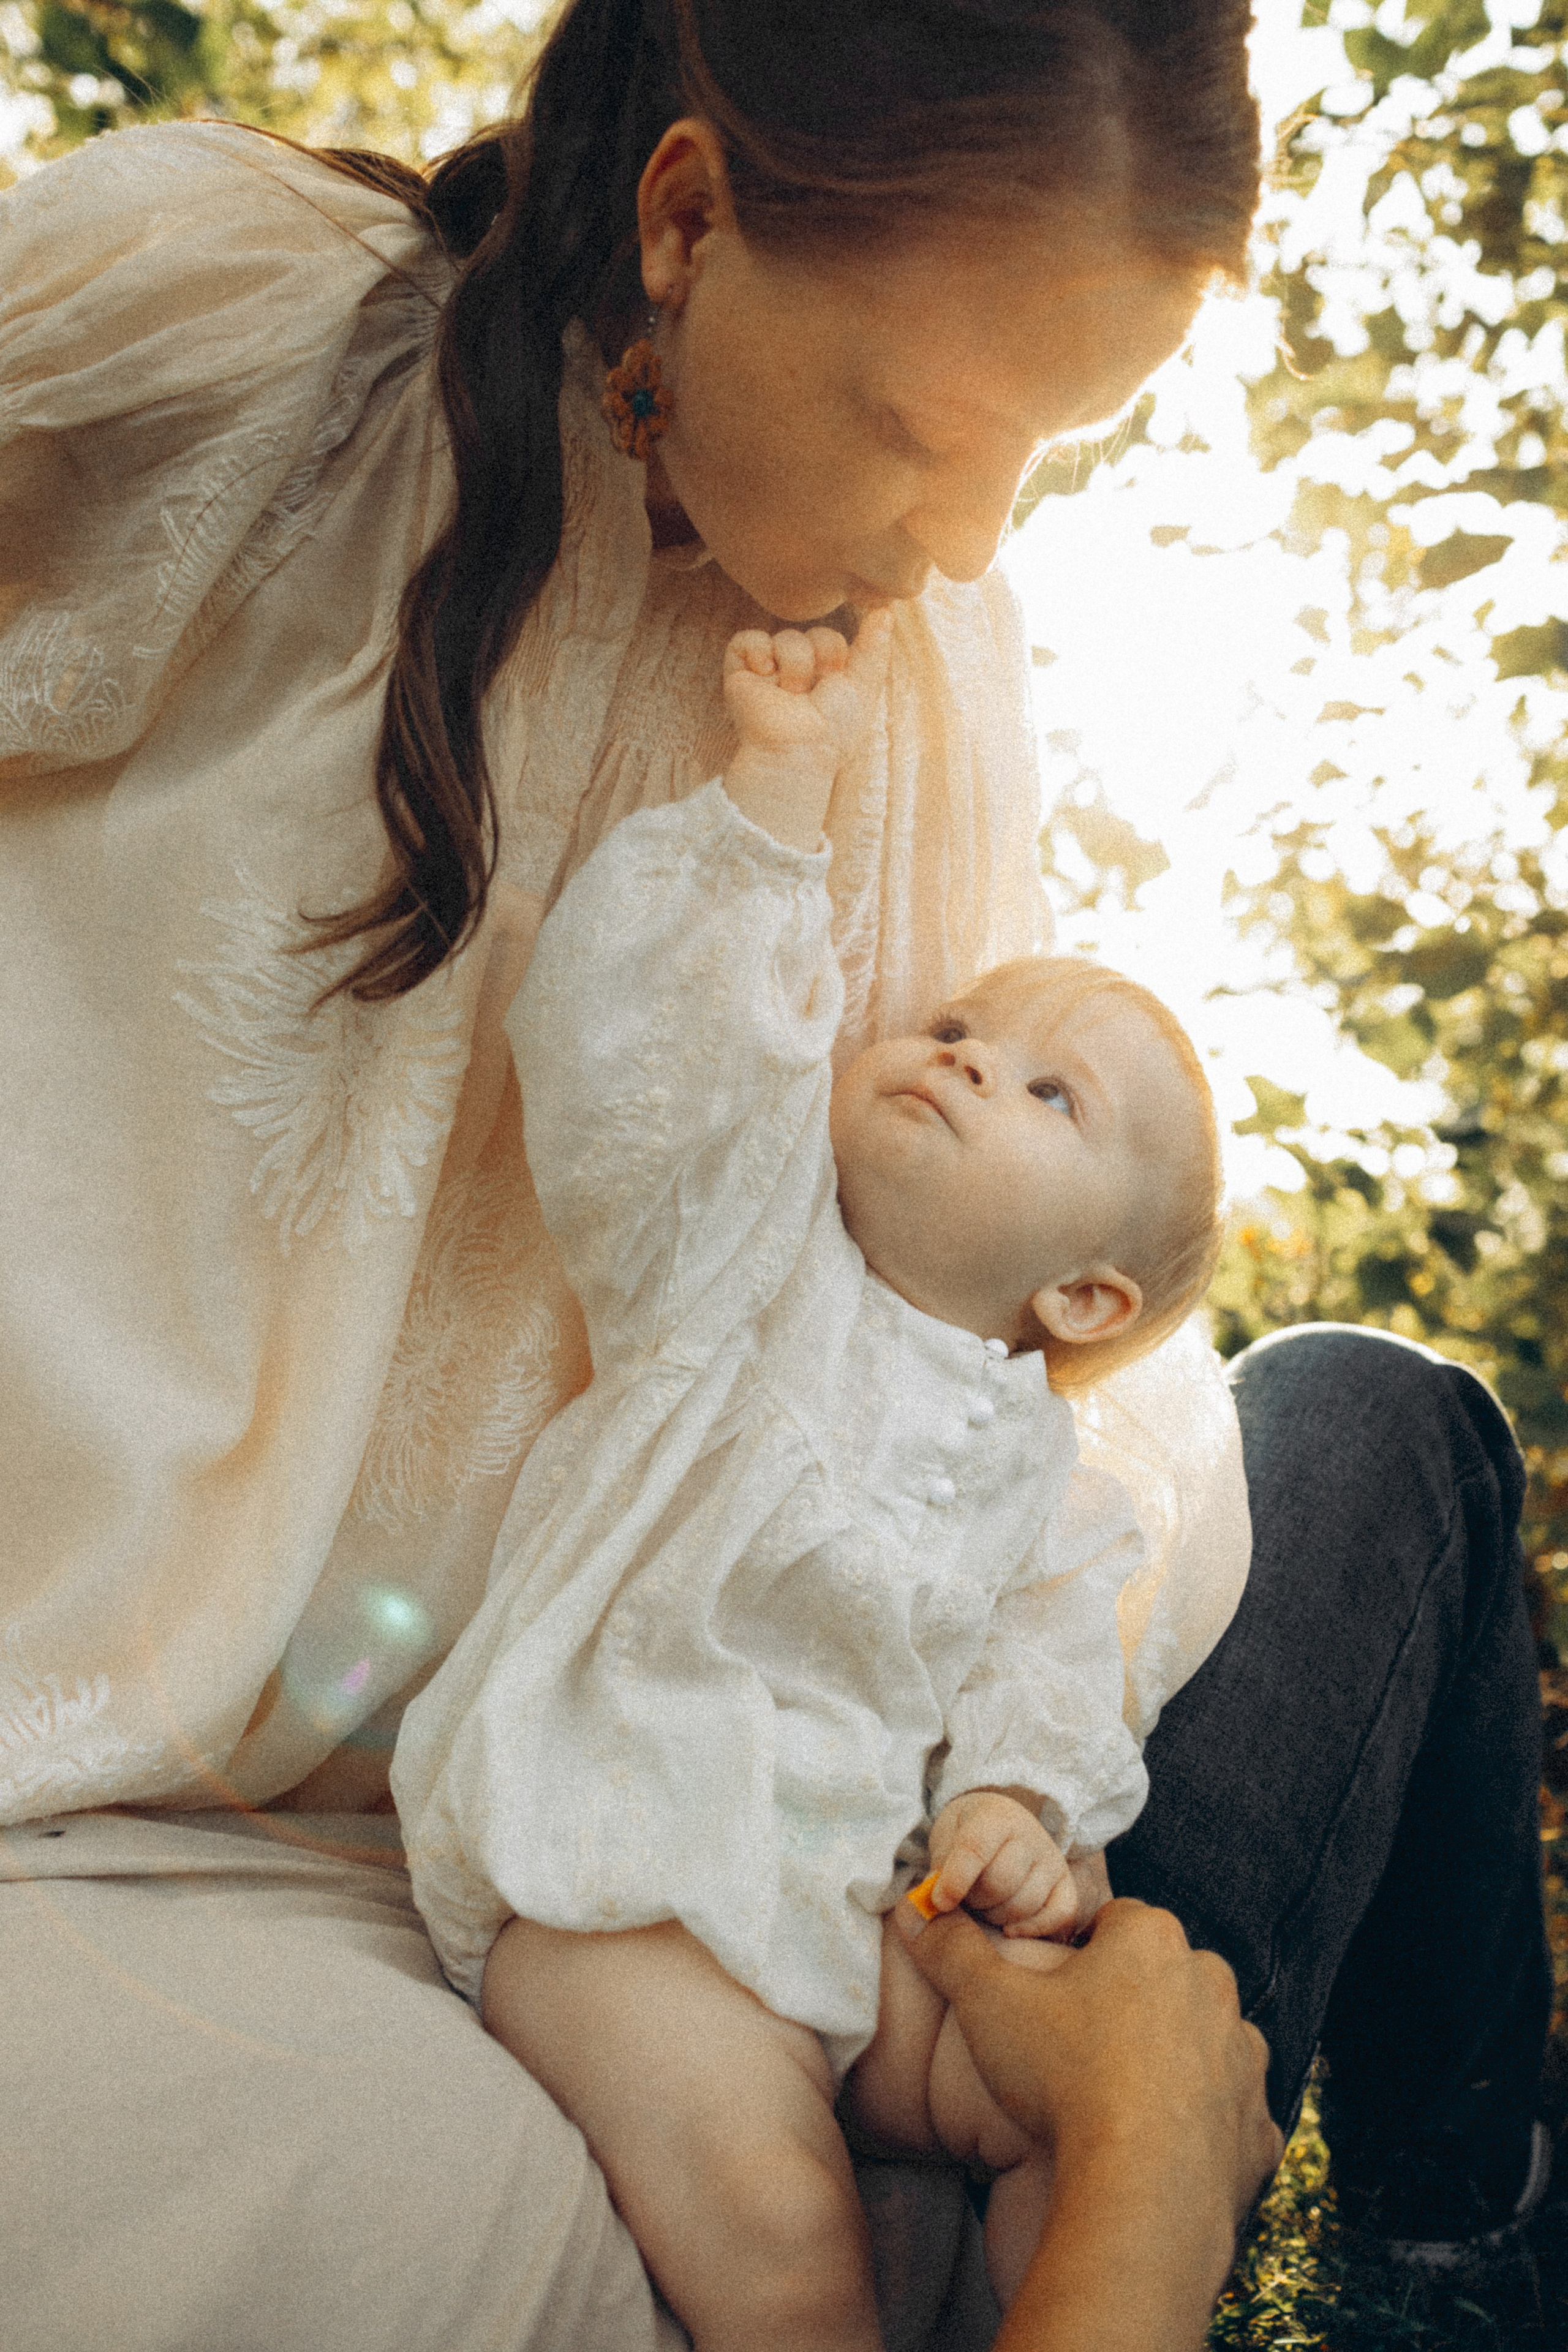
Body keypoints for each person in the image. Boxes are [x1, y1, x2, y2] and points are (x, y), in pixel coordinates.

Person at [0, 3, 1548, 2346]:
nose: (972, 540)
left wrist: (996, 1804)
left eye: (1053, 457)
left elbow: (921, 1328)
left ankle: (1466, 2237)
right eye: (935, 427)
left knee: (1373, 1430)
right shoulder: (250, 354)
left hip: (769, 1748)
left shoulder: (920, 668)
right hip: (289, 1785)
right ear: (690, 218)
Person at [392, 611, 1226, 2339]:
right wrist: (774, 807)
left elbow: (1042, 1673)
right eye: (957, 1026)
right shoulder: (743, 1261)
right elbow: (644, 1069)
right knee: (784, 2241)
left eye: (1049, 1092)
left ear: (1082, 1297)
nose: (966, 1056)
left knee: (1057, 2106)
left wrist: (1014, 1811)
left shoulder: (1053, 1491)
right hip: (628, 1896)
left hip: (855, 1909)